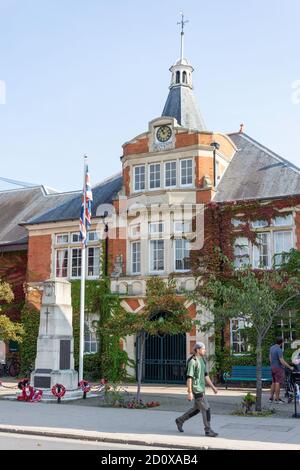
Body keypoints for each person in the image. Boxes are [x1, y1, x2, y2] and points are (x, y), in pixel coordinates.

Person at [175, 342, 218, 437]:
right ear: (198, 350)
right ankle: (208, 430)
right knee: (206, 409)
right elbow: (189, 378)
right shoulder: (192, 361)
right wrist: (189, 392)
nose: (205, 350)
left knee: (196, 409)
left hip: (201, 389)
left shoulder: (202, 360)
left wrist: (213, 387)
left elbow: (205, 375)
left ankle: (180, 420)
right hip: (196, 389)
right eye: (203, 349)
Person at [269, 337, 293, 404]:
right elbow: (281, 361)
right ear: (282, 343)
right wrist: (289, 367)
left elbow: (270, 358)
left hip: (272, 367)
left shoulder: (272, 348)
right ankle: (277, 399)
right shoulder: (279, 350)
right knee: (277, 383)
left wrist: (272, 364)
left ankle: (271, 398)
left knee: (273, 382)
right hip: (278, 368)